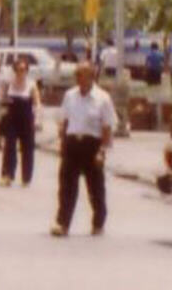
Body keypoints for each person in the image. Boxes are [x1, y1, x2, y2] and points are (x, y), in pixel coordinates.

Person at [52, 61, 115, 236]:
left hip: (92, 144)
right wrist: (62, 142)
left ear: (91, 76)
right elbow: (64, 121)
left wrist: (102, 150)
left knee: (95, 188)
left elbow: (107, 126)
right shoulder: (70, 95)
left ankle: (98, 223)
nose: (77, 78)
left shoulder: (102, 98)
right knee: (66, 186)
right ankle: (62, 223)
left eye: (80, 74)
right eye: (76, 74)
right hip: (73, 143)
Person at [0, 55, 41, 187]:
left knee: (27, 148)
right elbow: (3, 100)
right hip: (12, 117)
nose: (20, 72)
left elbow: (36, 103)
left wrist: (37, 120)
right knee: (9, 146)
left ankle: (26, 177)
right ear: (14, 70)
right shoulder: (9, 83)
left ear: (27, 70)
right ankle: (8, 175)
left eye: (23, 69)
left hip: (26, 118)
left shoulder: (31, 84)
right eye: (18, 69)